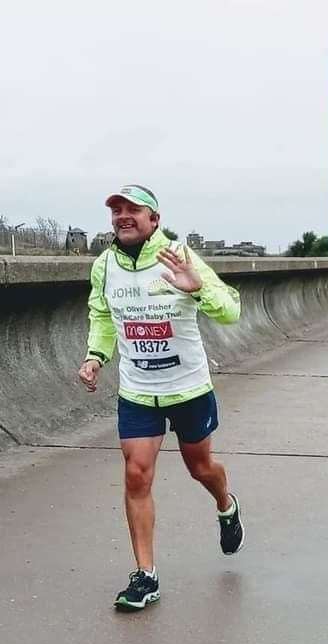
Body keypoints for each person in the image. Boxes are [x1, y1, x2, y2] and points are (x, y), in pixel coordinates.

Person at [78, 184, 245, 611]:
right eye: (116, 210)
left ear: (155, 218)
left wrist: (195, 288)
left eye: (133, 209)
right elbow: (102, 314)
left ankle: (226, 506)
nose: (122, 216)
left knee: (200, 467)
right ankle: (146, 577)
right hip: (137, 392)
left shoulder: (179, 256)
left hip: (188, 388)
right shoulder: (103, 266)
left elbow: (230, 311)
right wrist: (97, 356)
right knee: (136, 475)